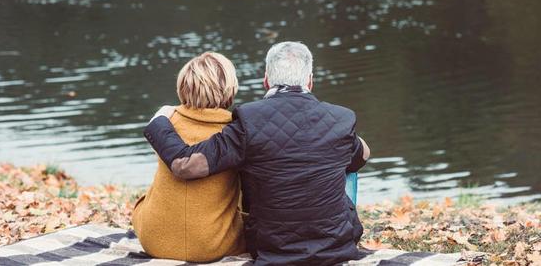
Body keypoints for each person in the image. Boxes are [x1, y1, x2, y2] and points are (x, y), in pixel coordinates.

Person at [144, 41, 371, 266]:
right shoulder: (341, 118)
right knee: (348, 166)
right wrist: (340, 133)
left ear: (266, 80)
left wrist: (159, 121)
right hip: (338, 245)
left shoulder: (248, 121)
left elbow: (189, 165)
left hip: (271, 247)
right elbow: (362, 157)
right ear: (310, 81)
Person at [132, 52, 245, 262]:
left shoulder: (166, 122)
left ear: (183, 86)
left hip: (154, 239)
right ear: (230, 88)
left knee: (146, 200)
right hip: (214, 246)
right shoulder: (236, 133)